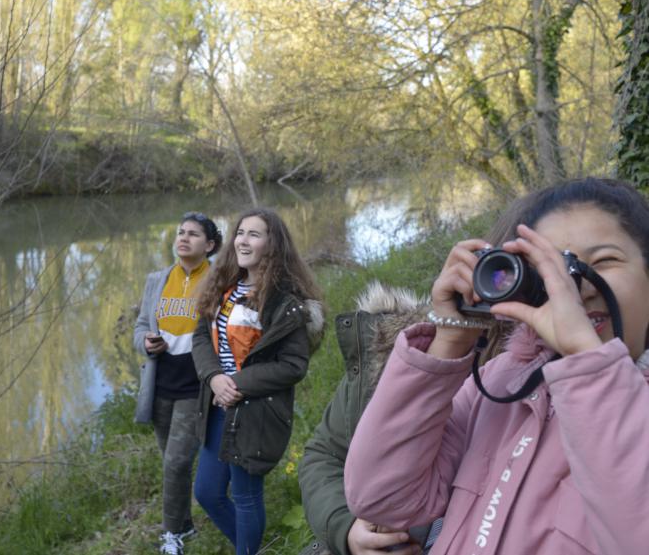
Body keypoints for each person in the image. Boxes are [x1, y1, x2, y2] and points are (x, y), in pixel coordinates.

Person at [344, 177, 649, 555]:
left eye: (604, 261)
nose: (575, 288)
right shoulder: (500, 381)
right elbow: (382, 497)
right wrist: (450, 339)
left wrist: (590, 362)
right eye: (549, 268)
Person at [298, 201, 523, 555]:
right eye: (503, 272)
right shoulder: (398, 349)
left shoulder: (570, 392)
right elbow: (324, 454)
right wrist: (348, 530)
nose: (516, 290)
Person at [191, 207, 324, 555]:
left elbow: (293, 365)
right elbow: (201, 338)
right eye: (240, 233)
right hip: (218, 405)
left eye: (255, 234)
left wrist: (237, 383)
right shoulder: (224, 288)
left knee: (246, 496)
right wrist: (215, 377)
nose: (243, 240)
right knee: (207, 492)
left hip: (254, 412)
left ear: (272, 244)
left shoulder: (283, 300)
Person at [133, 212, 223, 555]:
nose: (184, 238)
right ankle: (185, 525)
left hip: (194, 386)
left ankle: (172, 536)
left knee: (176, 463)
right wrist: (146, 341)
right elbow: (141, 326)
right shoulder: (158, 279)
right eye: (181, 232)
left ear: (209, 245)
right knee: (173, 462)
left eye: (194, 234)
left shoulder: (218, 281)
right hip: (160, 384)